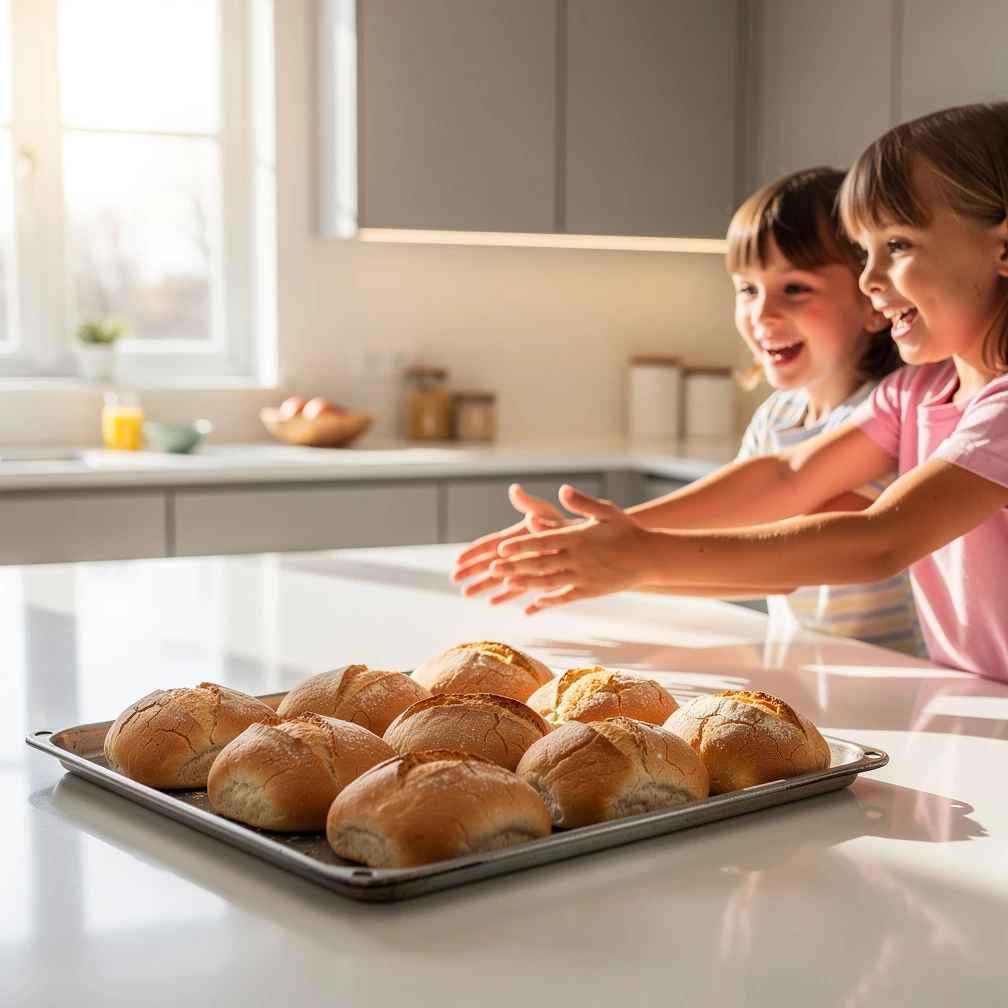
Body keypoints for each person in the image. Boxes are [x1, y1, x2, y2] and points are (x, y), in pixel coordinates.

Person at [465, 103, 1008, 682]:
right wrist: (608, 538)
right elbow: (786, 478)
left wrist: (638, 556)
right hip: (973, 693)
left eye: (897, 245)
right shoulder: (917, 390)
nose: (869, 279)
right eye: (864, 250)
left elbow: (880, 541)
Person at [453, 167, 924, 656]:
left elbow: (784, 562)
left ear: (874, 299)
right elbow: (734, 552)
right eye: (747, 290)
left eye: (795, 288)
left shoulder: (894, 409)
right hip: (810, 662)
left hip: (900, 675)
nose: (762, 314)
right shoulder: (776, 417)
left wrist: (618, 554)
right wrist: (591, 550)